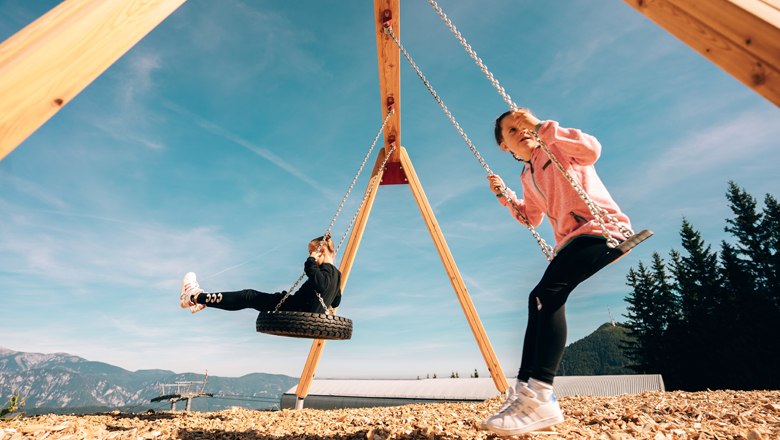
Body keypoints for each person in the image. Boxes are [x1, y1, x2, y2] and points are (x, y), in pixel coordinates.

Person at [482, 108, 633, 436]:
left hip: (600, 228)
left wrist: (541, 127)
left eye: (521, 123)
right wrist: (505, 196)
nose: (520, 130)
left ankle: (540, 395)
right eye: (511, 130)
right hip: (569, 244)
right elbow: (530, 218)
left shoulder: (555, 145)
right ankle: (525, 392)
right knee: (538, 301)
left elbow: (591, 150)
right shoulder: (526, 176)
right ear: (504, 147)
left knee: (545, 294)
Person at [179, 236, 342, 315]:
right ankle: (203, 302)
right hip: (300, 310)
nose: (310, 254)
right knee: (248, 299)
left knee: (248, 296)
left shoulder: (323, 271)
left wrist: (311, 260)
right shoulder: (337, 275)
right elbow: (336, 300)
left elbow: (319, 282)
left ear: (320, 251)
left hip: (292, 308)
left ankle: (194, 297)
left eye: (311, 251)